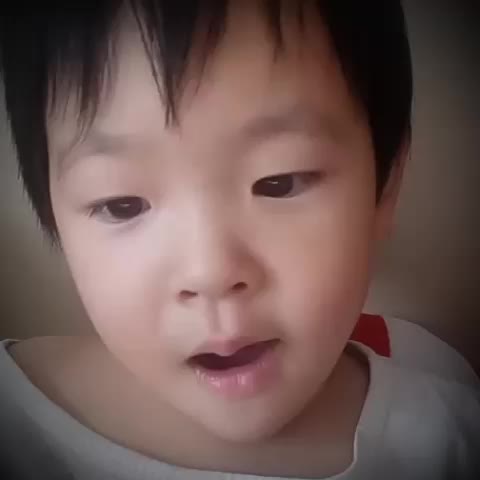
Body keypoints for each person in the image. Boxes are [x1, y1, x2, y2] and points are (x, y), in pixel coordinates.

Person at [0, 2, 479, 479]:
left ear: (385, 188)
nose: (210, 273)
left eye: (279, 182)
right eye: (122, 205)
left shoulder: (449, 432)